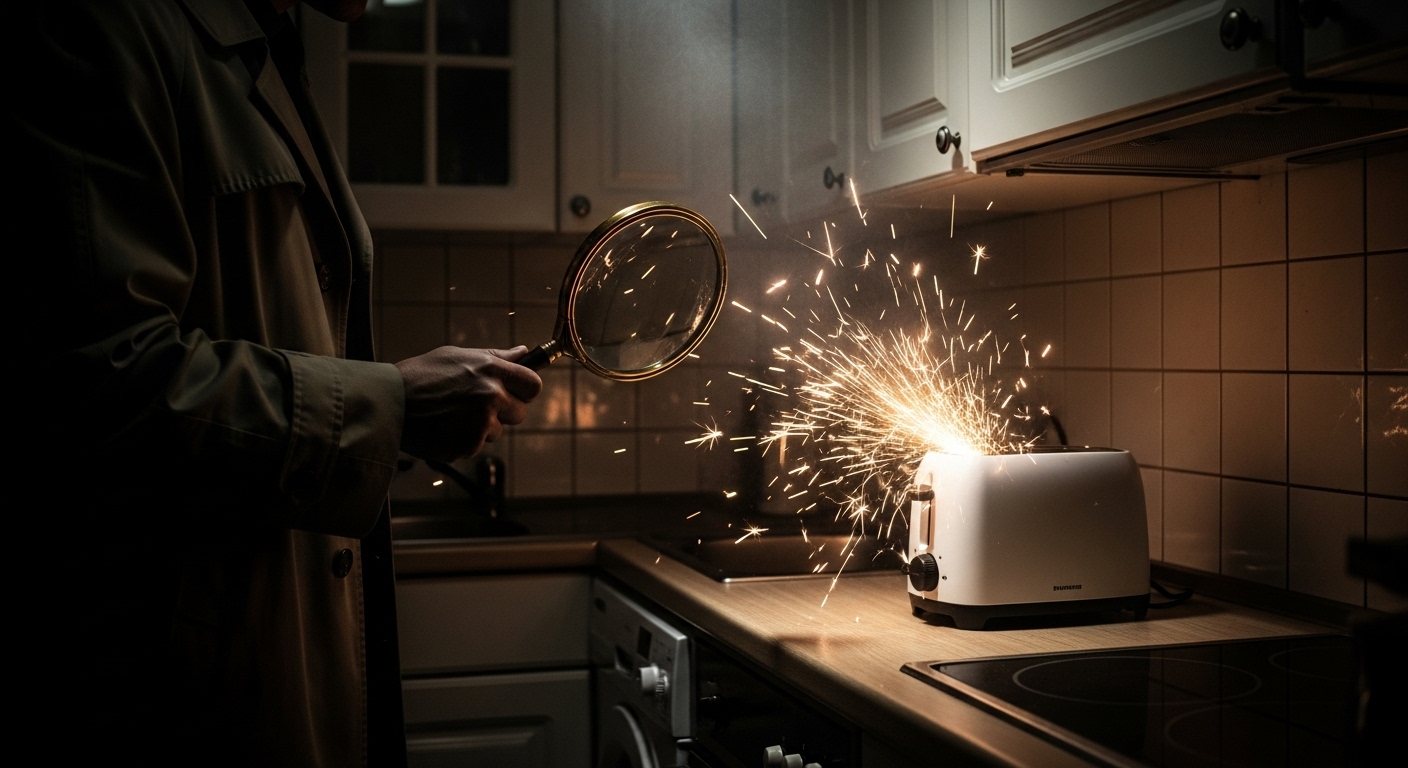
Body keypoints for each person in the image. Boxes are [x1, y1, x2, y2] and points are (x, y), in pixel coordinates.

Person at [11, 0, 541, 765]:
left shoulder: (267, 55)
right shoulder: (98, 25)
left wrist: (393, 406)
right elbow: (95, 379)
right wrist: (391, 405)